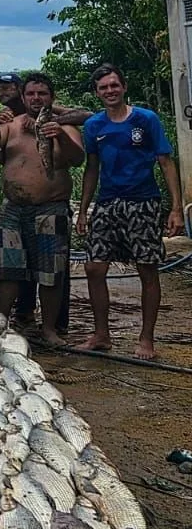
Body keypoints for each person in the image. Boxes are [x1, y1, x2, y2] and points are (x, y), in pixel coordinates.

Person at [75, 64, 183, 360]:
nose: (109, 91)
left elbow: (165, 162)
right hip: (108, 203)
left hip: (142, 202)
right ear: (97, 93)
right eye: (103, 88)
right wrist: (84, 210)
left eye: (114, 85)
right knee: (94, 267)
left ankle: (146, 338)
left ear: (123, 87)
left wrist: (176, 208)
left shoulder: (146, 120)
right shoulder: (94, 126)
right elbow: (92, 169)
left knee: (147, 269)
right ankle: (101, 334)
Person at [0, 73, 84, 347]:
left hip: (51, 207)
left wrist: (60, 135)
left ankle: (49, 329)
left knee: (51, 272)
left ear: (51, 98)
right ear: (23, 98)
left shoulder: (64, 126)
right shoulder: (11, 126)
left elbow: (77, 158)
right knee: (7, 270)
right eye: (31, 94)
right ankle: (1, 323)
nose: (36, 99)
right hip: (13, 209)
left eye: (42, 94)